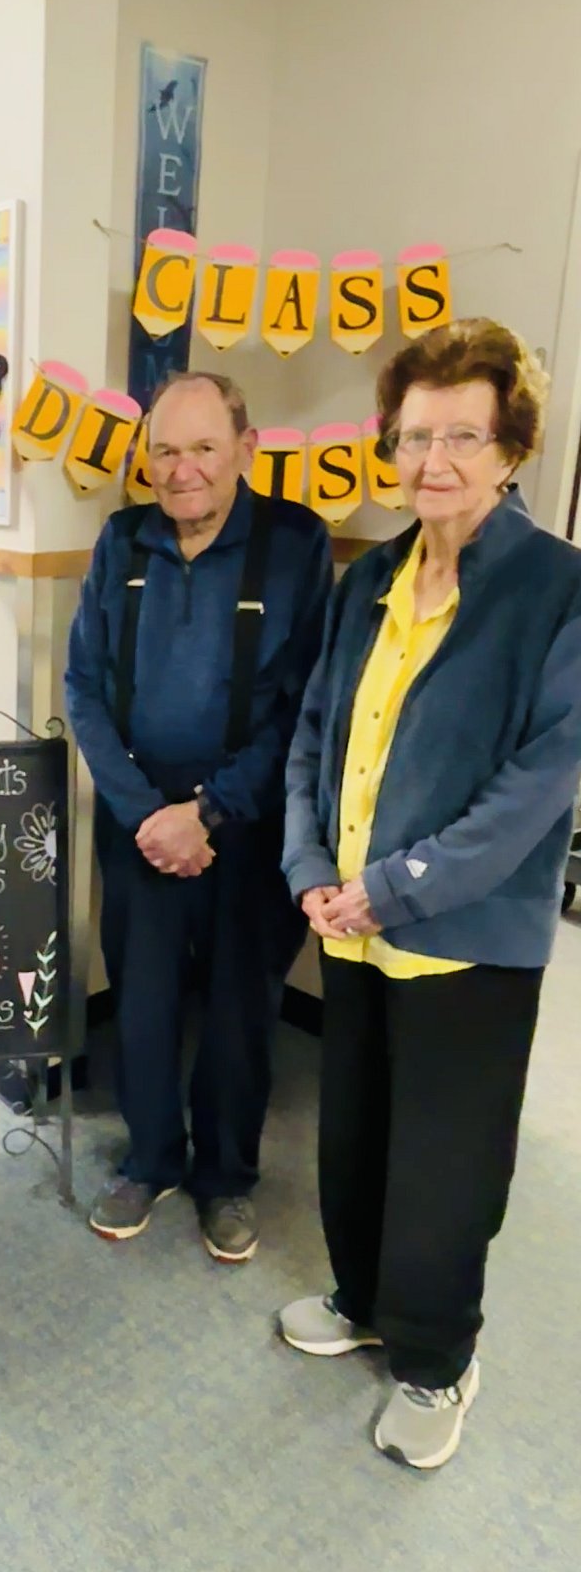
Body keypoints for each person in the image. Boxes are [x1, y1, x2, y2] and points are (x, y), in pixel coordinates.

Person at [279, 318, 581, 1469]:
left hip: (466, 938)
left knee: (446, 1167)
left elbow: (534, 788)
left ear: (512, 448)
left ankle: (437, 1358)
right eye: (414, 436)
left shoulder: (558, 589)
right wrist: (311, 869)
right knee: (355, 1136)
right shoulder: (371, 578)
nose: (434, 460)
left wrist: (394, 889)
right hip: (352, 927)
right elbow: (316, 733)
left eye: (463, 435)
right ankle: (362, 1299)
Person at [66, 372, 332, 1260]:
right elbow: (83, 688)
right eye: (166, 451)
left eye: (205, 448)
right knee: (140, 999)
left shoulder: (296, 544)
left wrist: (209, 812)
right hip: (140, 815)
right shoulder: (121, 542)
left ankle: (226, 1177)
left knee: (239, 1007)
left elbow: (303, 705)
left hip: (248, 816)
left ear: (245, 449)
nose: (183, 470)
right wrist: (148, 814)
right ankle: (149, 1159)